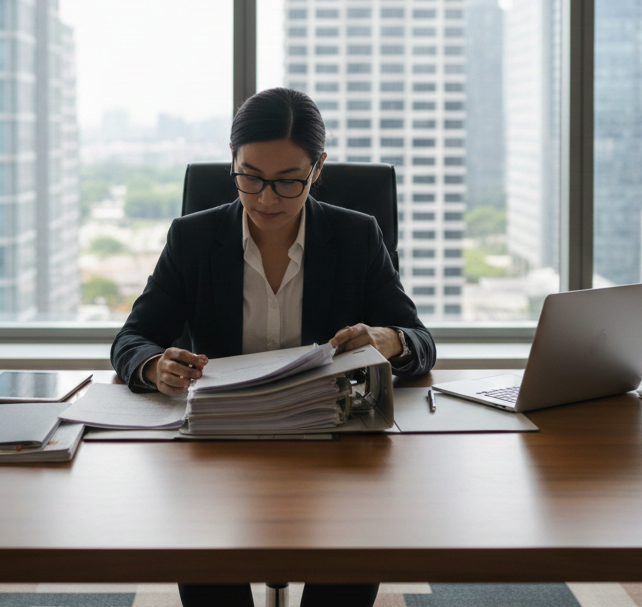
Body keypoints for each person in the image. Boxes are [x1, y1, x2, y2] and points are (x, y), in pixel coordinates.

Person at [112, 87, 436, 607]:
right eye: (251, 177)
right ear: (233, 163)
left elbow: (421, 342)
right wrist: (154, 366)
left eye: (288, 182)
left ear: (318, 168)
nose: (266, 198)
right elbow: (132, 338)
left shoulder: (356, 237)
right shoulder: (193, 238)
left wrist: (386, 339)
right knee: (206, 565)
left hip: (334, 444)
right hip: (220, 445)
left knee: (354, 552)